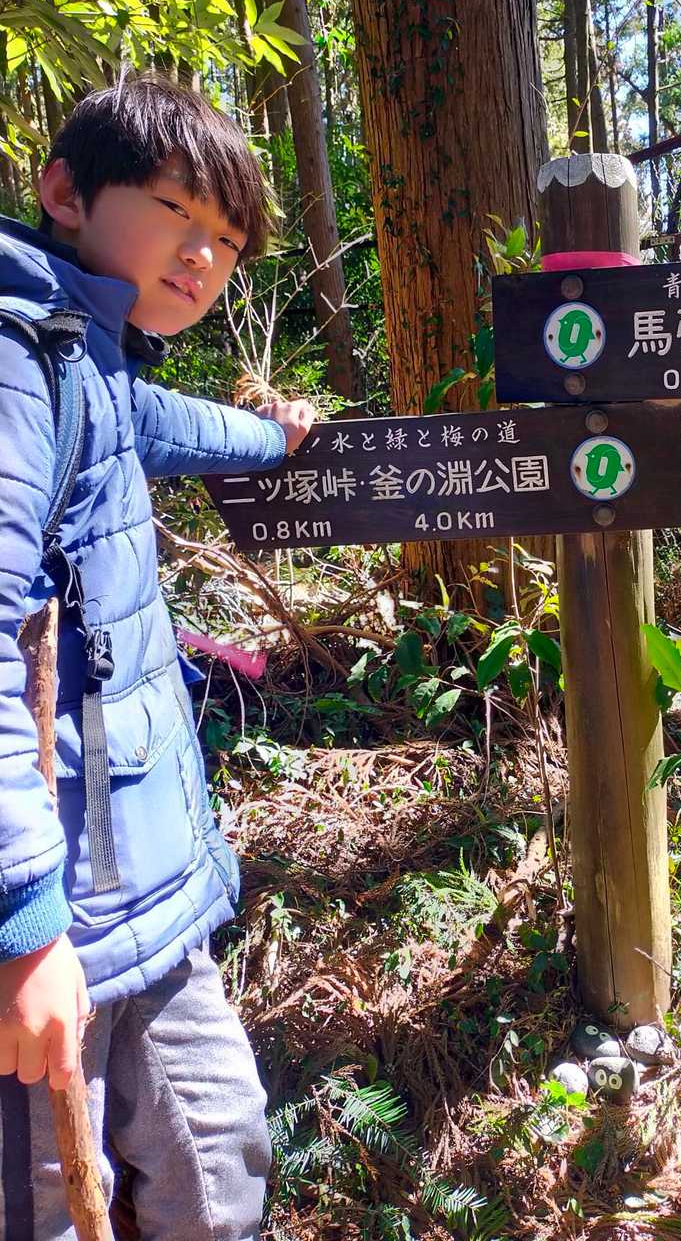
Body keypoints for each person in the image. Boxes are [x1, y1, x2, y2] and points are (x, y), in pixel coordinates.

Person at [0, 75, 316, 1238]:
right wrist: (24, 925)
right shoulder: (19, 362)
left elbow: (170, 426)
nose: (201, 256)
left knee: (221, 1164)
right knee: (47, 1202)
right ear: (65, 195)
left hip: (149, 902)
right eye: (177, 212)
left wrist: (275, 438)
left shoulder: (91, 359)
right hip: (53, 918)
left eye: (226, 241)